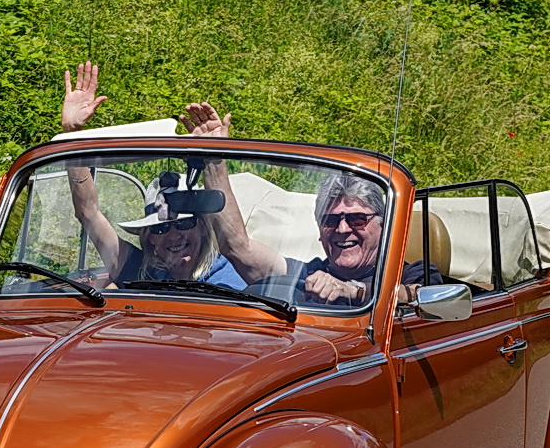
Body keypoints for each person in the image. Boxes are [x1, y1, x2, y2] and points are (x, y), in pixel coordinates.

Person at [178, 103, 437, 307]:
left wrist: (354, 292)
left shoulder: (413, 274)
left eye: (357, 219)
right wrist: (213, 158)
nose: (343, 229)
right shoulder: (308, 273)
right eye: (331, 221)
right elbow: (237, 247)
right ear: (320, 230)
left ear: (382, 226)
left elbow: (421, 295)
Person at [59, 62, 247, 290]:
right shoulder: (142, 271)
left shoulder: (232, 277)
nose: (174, 235)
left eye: (185, 223)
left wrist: (214, 157)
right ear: (149, 239)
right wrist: (72, 135)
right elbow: (88, 213)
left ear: (202, 227)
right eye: (160, 229)